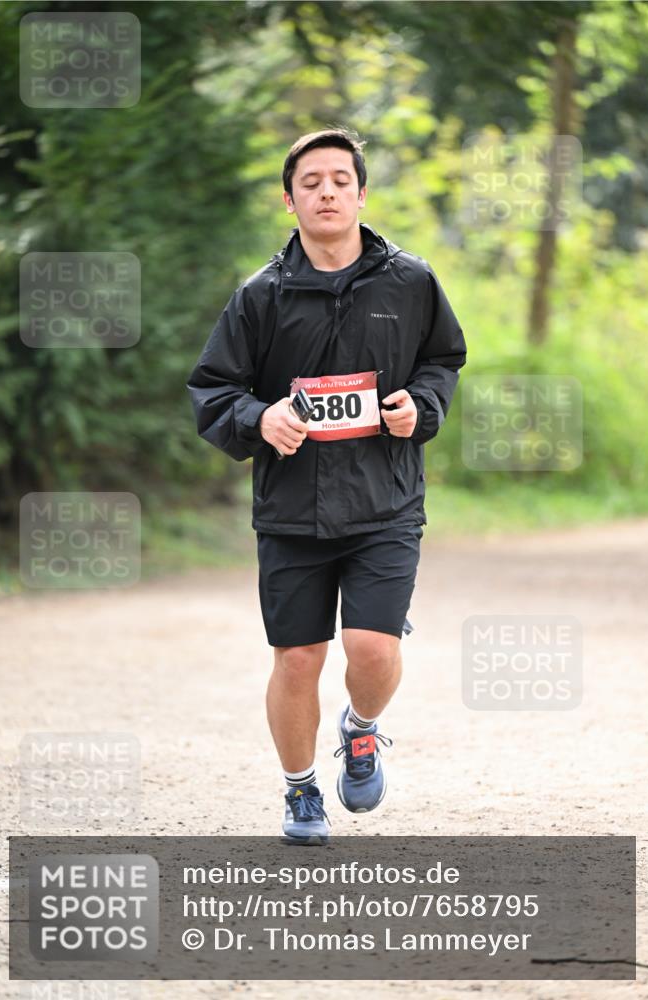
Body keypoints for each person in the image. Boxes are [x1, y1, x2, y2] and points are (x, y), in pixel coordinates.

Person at [187, 127, 466, 843]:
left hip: (385, 502)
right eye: (310, 182)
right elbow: (213, 391)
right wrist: (260, 416)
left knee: (371, 650)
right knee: (298, 657)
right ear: (290, 200)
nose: (327, 192)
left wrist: (420, 407)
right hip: (291, 509)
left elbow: (442, 362)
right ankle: (299, 791)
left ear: (361, 193)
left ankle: (362, 729)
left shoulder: (410, 281)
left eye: (340, 179)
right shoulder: (260, 295)